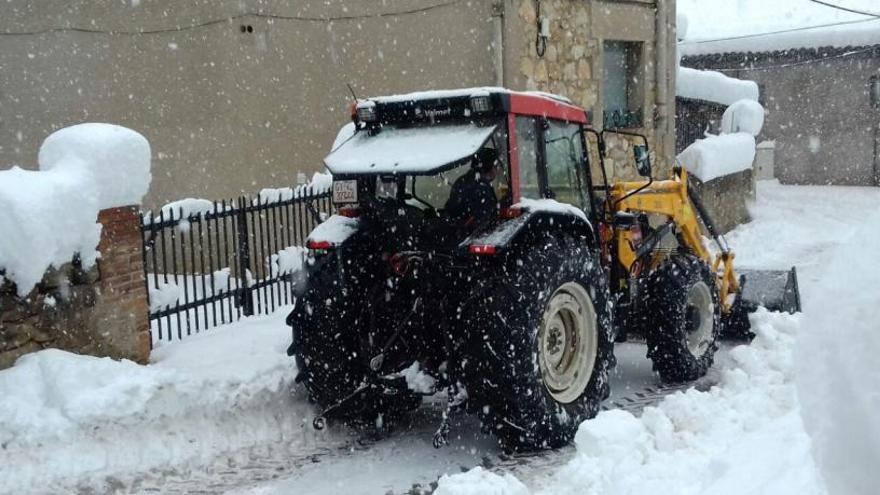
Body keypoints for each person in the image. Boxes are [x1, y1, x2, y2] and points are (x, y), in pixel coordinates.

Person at [444, 148, 499, 229]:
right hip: (468, 234)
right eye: (496, 166)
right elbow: (486, 220)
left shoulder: (462, 180)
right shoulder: (482, 189)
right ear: (490, 167)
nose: (497, 170)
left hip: (453, 231)